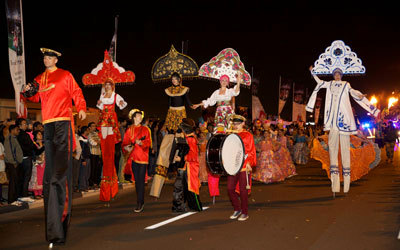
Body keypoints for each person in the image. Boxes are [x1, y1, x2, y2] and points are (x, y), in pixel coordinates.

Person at [22, 48, 87, 246]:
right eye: (44, 56)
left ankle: (61, 219)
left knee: (60, 174)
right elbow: (31, 96)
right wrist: (26, 91)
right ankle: (54, 225)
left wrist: (82, 107)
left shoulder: (65, 75)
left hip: (63, 123)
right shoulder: (39, 78)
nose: (46, 59)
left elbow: (77, 92)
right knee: (51, 175)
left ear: (56, 58)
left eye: (49, 56)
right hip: (48, 125)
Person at [306, 65, 379, 196]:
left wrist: (360, 95)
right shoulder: (330, 84)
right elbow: (319, 83)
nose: (337, 75)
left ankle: (346, 184)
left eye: (339, 74)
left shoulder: (346, 84)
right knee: (332, 150)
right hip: (332, 121)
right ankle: (334, 186)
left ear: (342, 75)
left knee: (345, 151)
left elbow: (353, 92)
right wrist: (313, 72)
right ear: (333, 75)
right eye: (335, 74)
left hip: (343, 121)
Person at [96, 78, 127, 202]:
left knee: (110, 151)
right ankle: (106, 179)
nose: (108, 86)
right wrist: (99, 103)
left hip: (111, 121)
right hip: (104, 120)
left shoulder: (115, 95)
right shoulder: (102, 95)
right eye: (106, 85)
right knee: (105, 150)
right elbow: (99, 106)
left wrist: (120, 104)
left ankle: (111, 180)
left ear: (112, 86)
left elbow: (123, 104)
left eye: (109, 85)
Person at [227, 115, 256, 221]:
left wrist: (249, 162)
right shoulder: (230, 135)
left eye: (237, 124)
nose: (235, 126)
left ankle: (244, 212)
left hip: (244, 165)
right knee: (230, 188)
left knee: (243, 191)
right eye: (234, 124)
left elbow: (251, 150)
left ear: (243, 123)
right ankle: (237, 209)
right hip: (233, 166)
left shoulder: (248, 135)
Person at [122, 109, 151, 213]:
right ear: (134, 118)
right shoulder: (129, 130)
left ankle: (140, 202)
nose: (140, 118)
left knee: (141, 181)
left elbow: (148, 143)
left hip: (143, 158)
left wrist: (141, 143)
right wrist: (127, 148)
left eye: (141, 116)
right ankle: (140, 201)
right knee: (137, 181)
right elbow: (125, 142)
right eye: (138, 116)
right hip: (133, 158)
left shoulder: (146, 129)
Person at [172, 118, 203, 212]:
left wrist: (181, 158)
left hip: (190, 167)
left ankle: (191, 206)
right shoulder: (188, 138)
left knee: (187, 187)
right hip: (186, 166)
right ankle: (180, 206)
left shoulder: (191, 139)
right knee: (181, 187)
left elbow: (193, 156)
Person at [15, 118, 36, 201]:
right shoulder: (25, 135)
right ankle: (24, 195)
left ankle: (20, 194)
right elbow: (30, 146)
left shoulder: (16, 135)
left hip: (19, 159)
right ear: (19, 126)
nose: (26, 125)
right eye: (24, 124)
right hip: (26, 158)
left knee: (21, 177)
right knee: (26, 178)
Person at [4, 125, 23, 205]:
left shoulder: (14, 138)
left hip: (16, 163)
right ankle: (11, 200)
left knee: (16, 181)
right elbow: (9, 152)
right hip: (12, 164)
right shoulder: (9, 139)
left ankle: (15, 198)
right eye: (17, 130)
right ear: (12, 130)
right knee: (13, 182)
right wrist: (14, 162)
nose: (18, 131)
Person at [28, 130, 45, 199]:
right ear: (35, 135)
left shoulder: (43, 143)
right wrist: (43, 146)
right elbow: (37, 153)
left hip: (43, 163)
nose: (40, 135)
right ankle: (36, 193)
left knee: (41, 178)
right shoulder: (34, 144)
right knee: (36, 179)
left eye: (41, 134)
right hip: (37, 163)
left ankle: (40, 193)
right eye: (38, 134)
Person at [87, 122, 101, 190]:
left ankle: (96, 182)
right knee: (92, 169)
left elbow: (100, 141)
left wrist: (98, 142)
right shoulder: (89, 134)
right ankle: (91, 183)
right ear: (89, 127)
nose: (94, 127)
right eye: (92, 126)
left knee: (97, 169)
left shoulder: (96, 134)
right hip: (92, 153)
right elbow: (92, 143)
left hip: (98, 153)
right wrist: (97, 142)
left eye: (95, 126)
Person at [79, 126, 91, 192]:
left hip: (88, 157)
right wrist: (83, 159)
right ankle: (82, 186)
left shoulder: (86, 138)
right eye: (87, 130)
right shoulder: (81, 139)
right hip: (84, 158)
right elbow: (82, 150)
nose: (88, 132)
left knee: (87, 173)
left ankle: (86, 185)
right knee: (83, 173)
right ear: (85, 131)